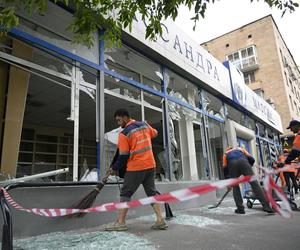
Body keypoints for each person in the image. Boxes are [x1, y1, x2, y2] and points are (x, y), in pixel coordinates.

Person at [105, 109, 168, 231]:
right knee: (151, 193)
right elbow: (155, 133)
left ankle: (121, 223)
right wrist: (146, 128)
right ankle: (160, 220)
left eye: (118, 120)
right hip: (150, 165)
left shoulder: (124, 134)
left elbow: (123, 156)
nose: (118, 123)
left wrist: (114, 168)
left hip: (136, 167)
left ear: (124, 118)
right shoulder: (144, 125)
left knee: (125, 193)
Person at [222, 146, 274, 214]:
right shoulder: (240, 149)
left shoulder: (226, 153)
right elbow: (251, 159)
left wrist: (228, 181)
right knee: (254, 184)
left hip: (232, 165)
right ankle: (266, 206)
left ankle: (240, 209)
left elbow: (224, 167)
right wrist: (249, 166)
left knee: (235, 187)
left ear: (228, 149)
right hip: (244, 163)